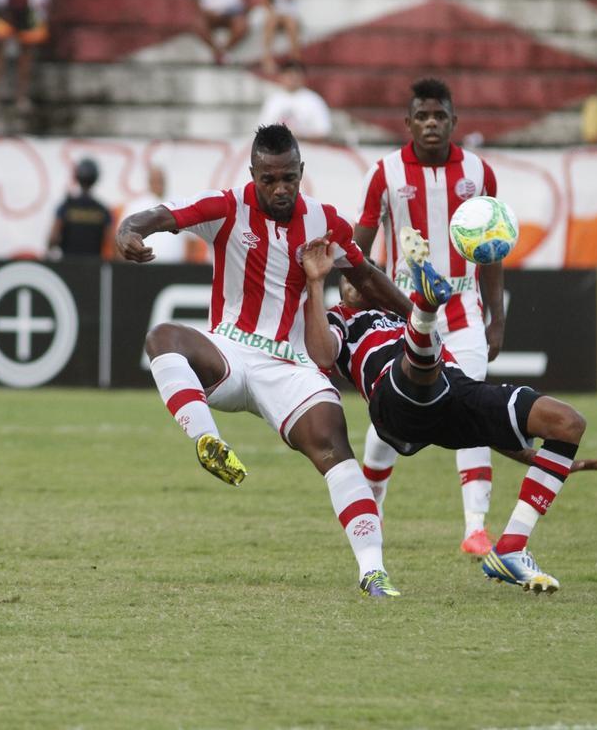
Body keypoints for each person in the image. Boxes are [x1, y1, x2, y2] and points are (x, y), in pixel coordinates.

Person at [116, 124, 416, 598]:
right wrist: (127, 231)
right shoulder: (226, 206)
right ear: (253, 173)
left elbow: (367, 276)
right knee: (163, 336)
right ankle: (208, 442)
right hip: (230, 352)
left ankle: (373, 572)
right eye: (269, 179)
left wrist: (417, 317)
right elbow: (160, 214)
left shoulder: (326, 222)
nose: (280, 188)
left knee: (335, 450)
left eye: (289, 178)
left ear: (302, 173)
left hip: (292, 365)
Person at [300, 227, 597, 594]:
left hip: (450, 392)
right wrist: (315, 283)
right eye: (346, 280)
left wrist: (545, 459)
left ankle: (511, 549)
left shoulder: (399, 315)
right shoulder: (340, 321)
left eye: (362, 277)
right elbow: (320, 355)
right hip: (393, 402)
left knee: (567, 422)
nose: (354, 284)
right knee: (419, 366)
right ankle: (429, 308)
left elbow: (484, 431)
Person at [353, 77, 503, 557]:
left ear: (454, 122)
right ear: (409, 123)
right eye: (423, 116)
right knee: (387, 423)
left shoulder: (480, 173)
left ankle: (475, 527)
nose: (432, 124)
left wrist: (496, 318)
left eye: (440, 116)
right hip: (406, 316)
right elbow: (361, 240)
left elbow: (494, 251)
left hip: (464, 314)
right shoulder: (385, 173)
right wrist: (350, 284)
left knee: (476, 411)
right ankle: (368, 516)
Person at [114, 166, 188, 263]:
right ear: (149, 182)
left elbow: (190, 241)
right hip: (142, 268)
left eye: (160, 180)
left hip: (175, 268)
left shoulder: (178, 204)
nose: (158, 184)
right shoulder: (135, 206)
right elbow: (121, 238)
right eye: (154, 180)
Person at [49, 158, 112, 259]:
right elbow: (111, 243)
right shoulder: (102, 210)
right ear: (96, 178)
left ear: (77, 177)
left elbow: (53, 239)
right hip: (94, 267)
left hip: (68, 265)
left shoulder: (66, 206)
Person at [257, 60, 332, 141]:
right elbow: (262, 128)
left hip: (308, 148)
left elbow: (324, 132)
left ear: (303, 77)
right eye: (289, 74)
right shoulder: (273, 99)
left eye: (296, 74)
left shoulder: (314, 100)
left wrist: (298, 135)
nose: (293, 78)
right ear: (281, 77)